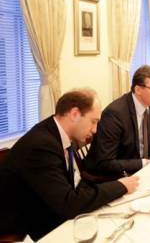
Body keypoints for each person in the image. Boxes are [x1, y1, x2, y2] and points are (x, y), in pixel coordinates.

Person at [0, 89, 138, 241]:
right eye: (94, 121)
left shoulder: (59, 135)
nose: (95, 130)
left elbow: (76, 183)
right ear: (74, 114)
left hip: (50, 205)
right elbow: (69, 204)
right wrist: (120, 186)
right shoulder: (41, 145)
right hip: (28, 222)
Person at [85, 65, 150, 177]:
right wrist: (143, 163)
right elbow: (105, 163)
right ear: (138, 90)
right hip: (115, 176)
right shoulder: (114, 114)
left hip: (141, 170)